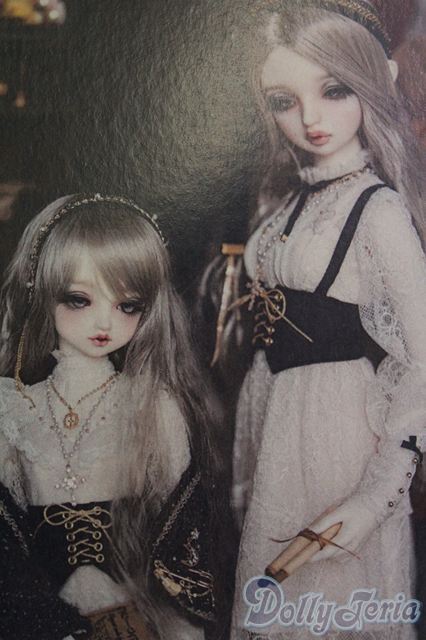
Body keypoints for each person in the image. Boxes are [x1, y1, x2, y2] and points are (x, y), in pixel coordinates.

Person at [229, 1, 426, 638]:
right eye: (284, 101)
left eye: (334, 90)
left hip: (341, 440)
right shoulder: (294, 201)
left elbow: (423, 362)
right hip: (278, 435)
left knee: (331, 607)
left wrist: (375, 499)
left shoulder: (379, 212)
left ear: (373, 82)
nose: (311, 119)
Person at [0, 194, 221, 640]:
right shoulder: (14, 408)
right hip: (45, 619)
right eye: (79, 299)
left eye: (127, 305)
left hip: (137, 613)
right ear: (42, 290)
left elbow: (182, 537)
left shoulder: (151, 403)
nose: (104, 322)